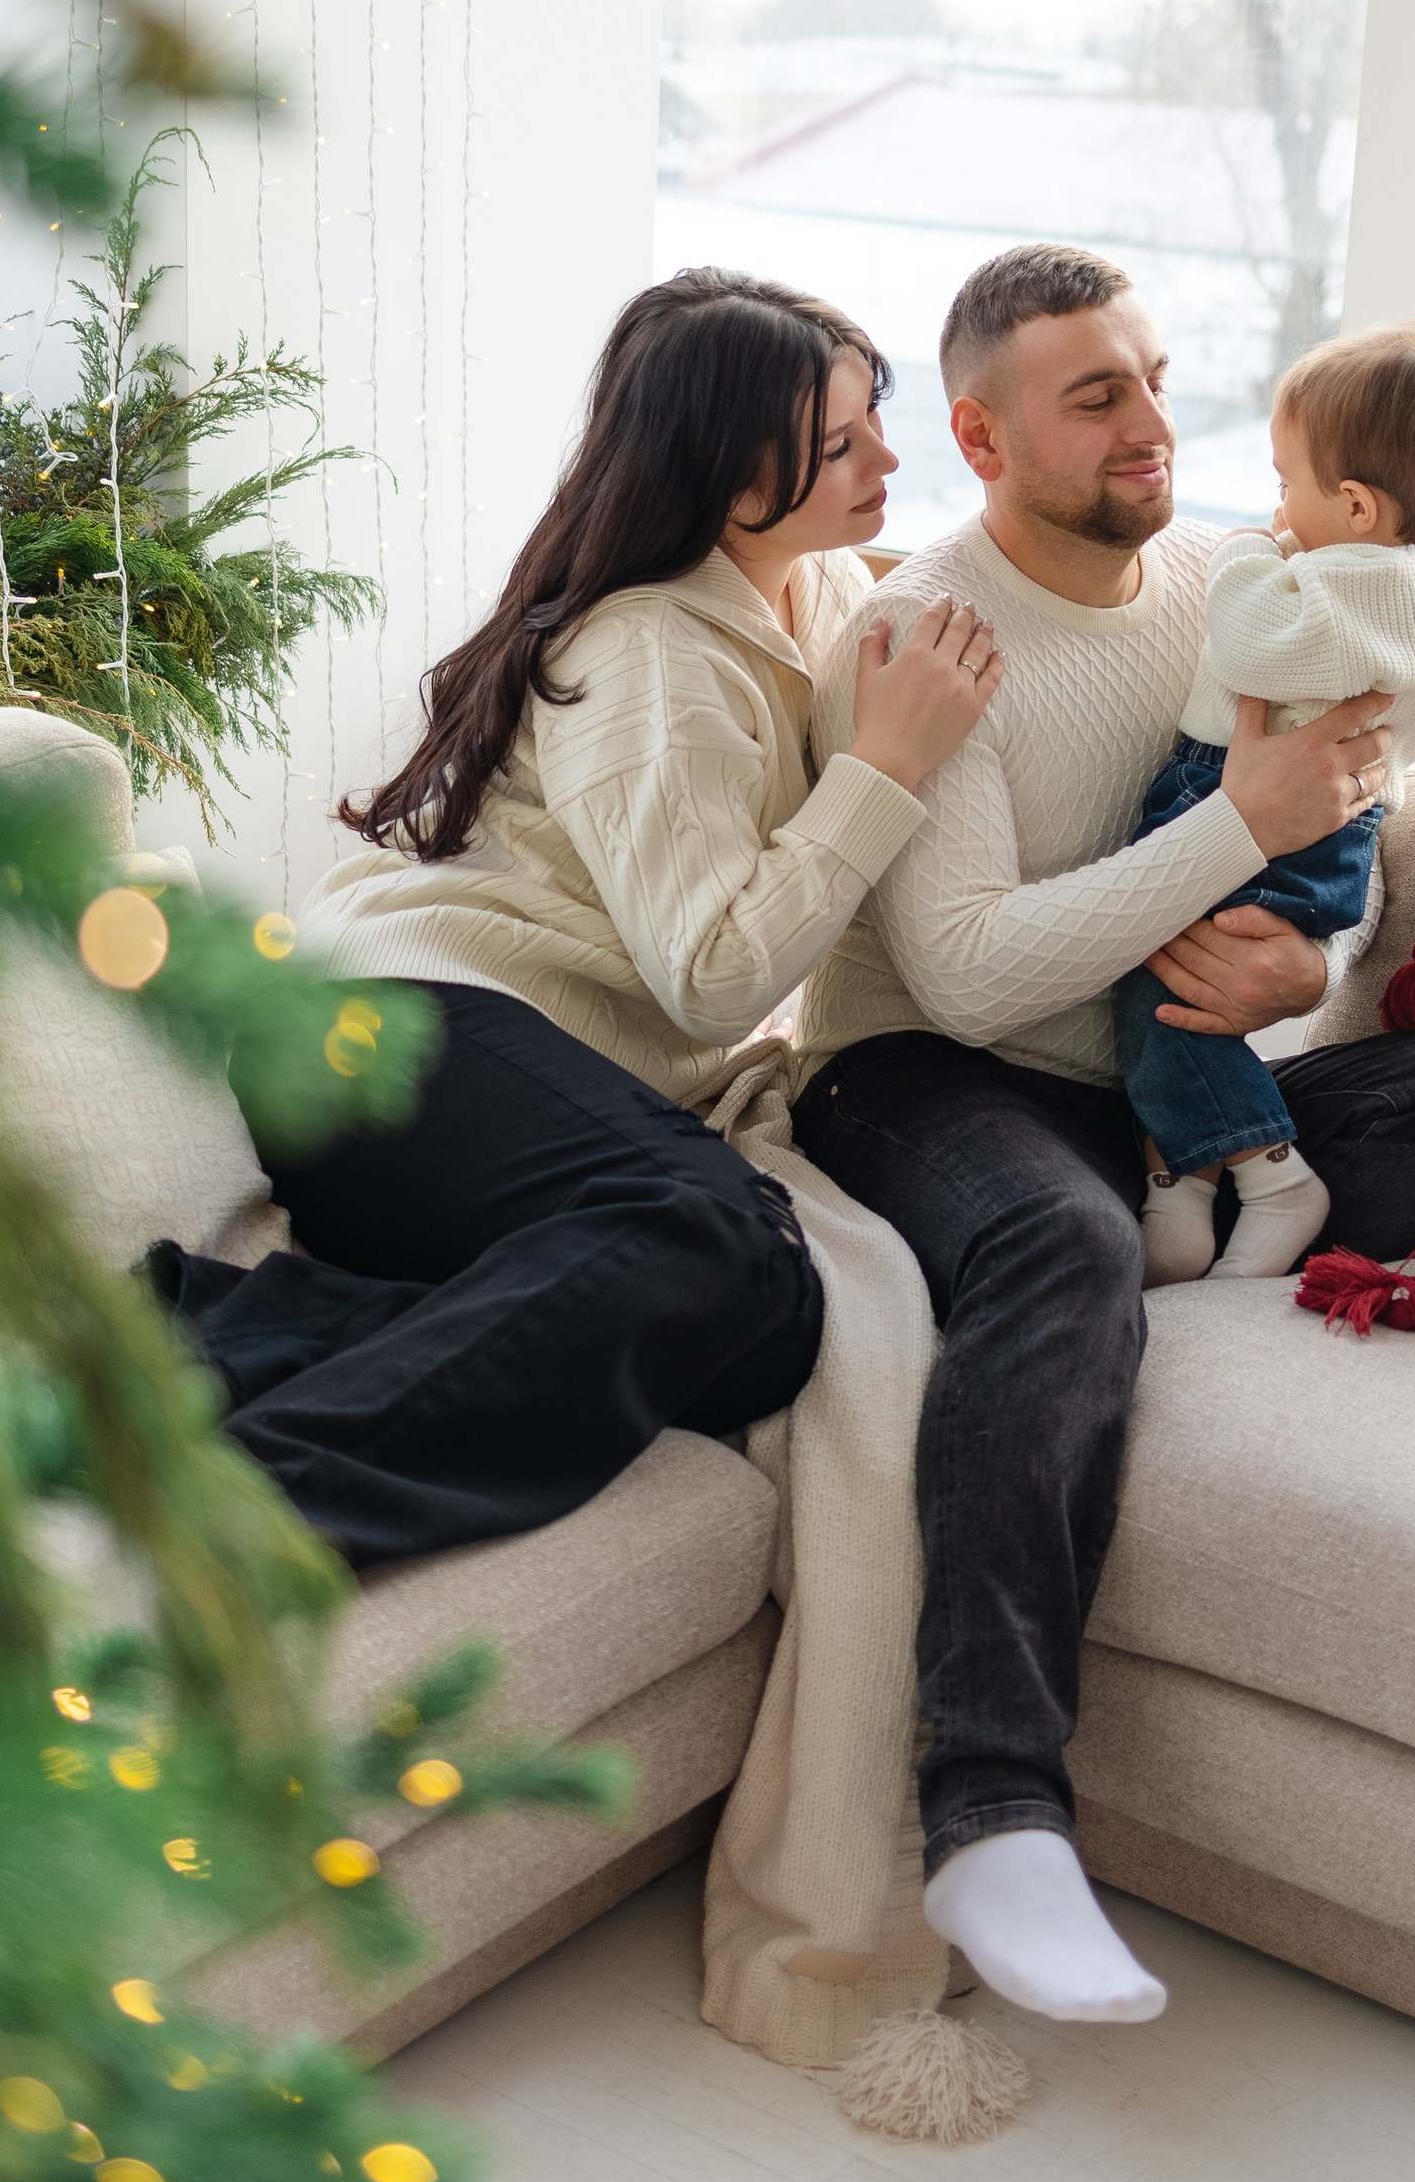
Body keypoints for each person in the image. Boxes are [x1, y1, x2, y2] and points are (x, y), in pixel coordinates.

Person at [791, 243, 1415, 2034]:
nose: (1156, 424)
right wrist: (1237, 830)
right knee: (1061, 1251)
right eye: (1099, 397)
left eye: (1154, 377)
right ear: (983, 439)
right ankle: (992, 1812)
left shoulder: (1238, 581)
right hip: (923, 1072)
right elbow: (971, 974)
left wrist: (1303, 959)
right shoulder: (922, 634)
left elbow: (1359, 833)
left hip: (1159, 1079)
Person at [148, 268, 1003, 1566]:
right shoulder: (653, 650)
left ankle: (205, 1330)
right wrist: (883, 772)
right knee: (712, 1238)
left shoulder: (818, 598)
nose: (891, 453)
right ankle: (261, 1511)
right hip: (385, 1032)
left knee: (763, 1328)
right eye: (839, 444)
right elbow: (714, 979)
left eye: (873, 412)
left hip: (497, 1072)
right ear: (727, 475)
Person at [1117, 322, 1415, 1284]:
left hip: (1244, 804)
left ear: (1360, 508)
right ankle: (1190, 1181)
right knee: (1169, 997)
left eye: (1286, 484)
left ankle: (1264, 1172)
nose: (1274, 506)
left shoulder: (1346, 586)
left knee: (1156, 989)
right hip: (1336, 828)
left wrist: (1249, 550)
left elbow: (1251, 641)